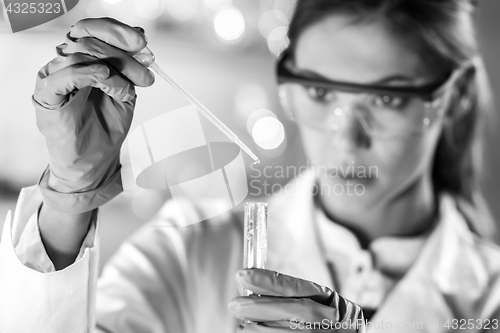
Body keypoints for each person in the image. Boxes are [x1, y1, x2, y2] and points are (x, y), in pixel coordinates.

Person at [1, 0, 500, 332]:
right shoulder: (190, 246)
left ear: (452, 98)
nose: (346, 136)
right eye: (321, 93)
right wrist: (69, 193)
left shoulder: (489, 302)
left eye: (388, 99)